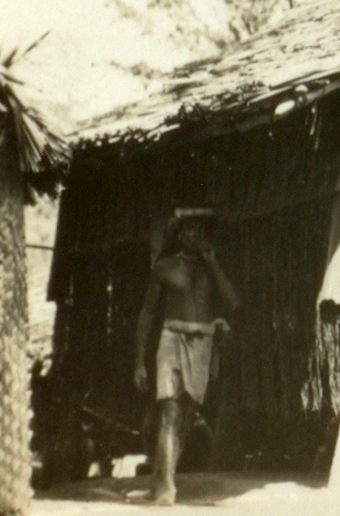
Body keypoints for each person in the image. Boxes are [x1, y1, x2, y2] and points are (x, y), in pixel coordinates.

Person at [133, 210, 238, 505]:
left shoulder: (211, 268)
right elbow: (147, 313)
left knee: (187, 417)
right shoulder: (165, 267)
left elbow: (232, 300)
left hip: (202, 342)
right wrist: (139, 361)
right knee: (170, 411)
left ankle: (158, 484)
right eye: (190, 229)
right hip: (171, 338)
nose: (196, 234)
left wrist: (212, 263)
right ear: (179, 234)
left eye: (201, 230)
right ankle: (167, 487)